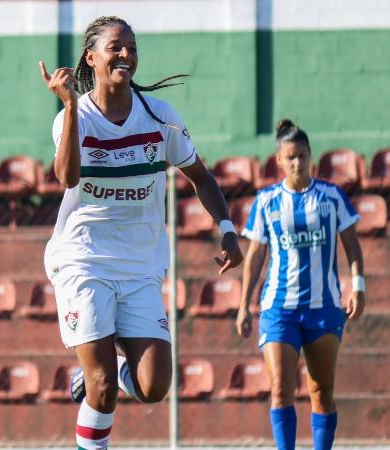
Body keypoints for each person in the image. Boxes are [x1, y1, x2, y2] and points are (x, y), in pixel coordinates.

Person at [39, 16, 242, 450]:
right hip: (84, 259)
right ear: (91, 57)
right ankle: (98, 382)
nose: (126, 54)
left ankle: (105, 370)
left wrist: (226, 229)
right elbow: (67, 177)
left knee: (153, 386)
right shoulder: (76, 117)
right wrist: (71, 106)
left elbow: (201, 178)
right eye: (115, 47)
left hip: (140, 264)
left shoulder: (159, 118)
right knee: (103, 389)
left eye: (131, 47)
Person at [237, 119, 365, 450]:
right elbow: (254, 256)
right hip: (279, 308)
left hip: (324, 309)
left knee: (321, 391)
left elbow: (352, 244)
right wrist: (243, 306)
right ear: (278, 160)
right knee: (281, 386)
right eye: (290, 157)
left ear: (312, 157)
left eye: (302, 156)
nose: (297, 163)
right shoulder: (266, 202)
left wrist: (359, 286)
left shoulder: (332, 196)